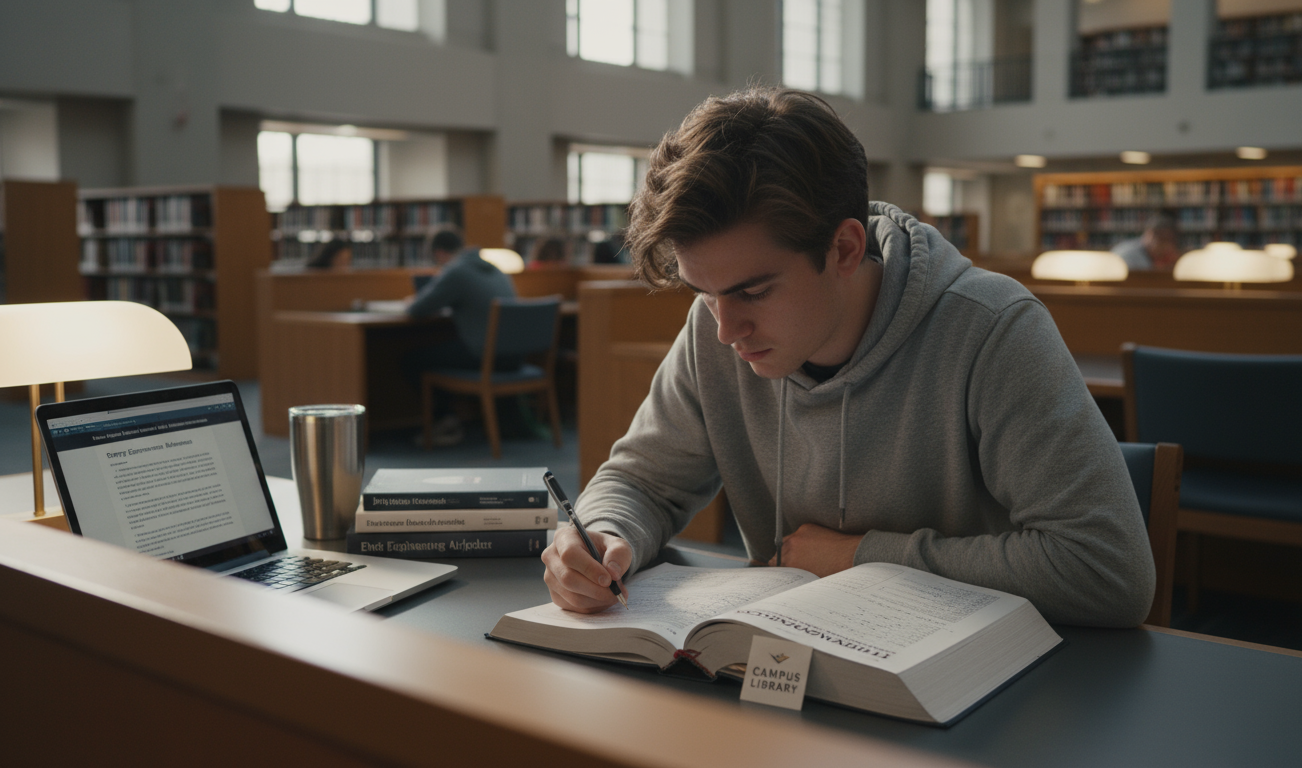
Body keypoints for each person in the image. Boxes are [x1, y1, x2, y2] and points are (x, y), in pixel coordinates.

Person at [542, 86, 1155, 627]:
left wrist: (862, 557)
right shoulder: (714, 327)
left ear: (843, 248)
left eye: (753, 292)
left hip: (975, 693)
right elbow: (641, 480)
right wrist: (603, 533)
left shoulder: (992, 330)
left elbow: (1108, 569)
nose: (726, 330)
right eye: (704, 294)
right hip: (789, 671)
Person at [403, 230, 520, 445]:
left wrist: (411, 301)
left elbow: (417, 310)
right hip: (512, 355)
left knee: (412, 360)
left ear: (439, 253)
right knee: (442, 350)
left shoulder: (456, 271)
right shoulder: (495, 268)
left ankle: (445, 421)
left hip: (486, 356)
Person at [1112, 215, 1180, 270]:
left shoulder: (1149, 253)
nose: (1168, 248)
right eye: (1164, 241)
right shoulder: (1129, 254)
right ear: (1150, 235)